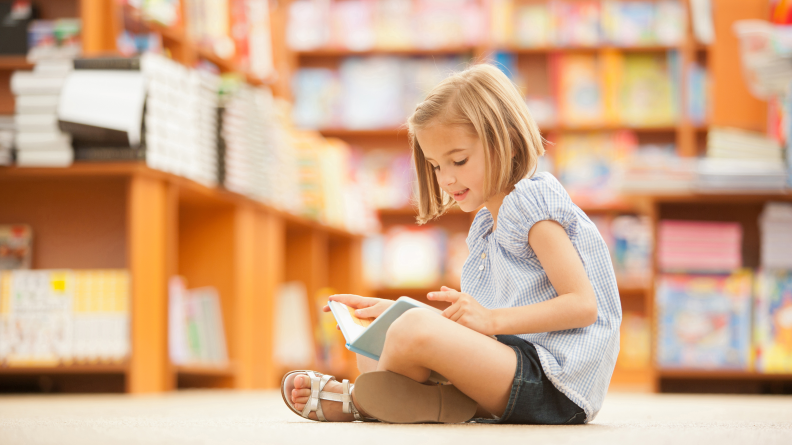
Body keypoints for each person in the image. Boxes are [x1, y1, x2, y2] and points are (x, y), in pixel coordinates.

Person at [281, 63, 621, 425]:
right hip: (513, 366)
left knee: (409, 332)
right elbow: (478, 328)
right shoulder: (489, 224)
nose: (446, 178)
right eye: (435, 166)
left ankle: (357, 403)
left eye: (458, 160)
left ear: (502, 138)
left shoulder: (531, 203)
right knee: (374, 340)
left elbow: (583, 305)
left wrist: (486, 319)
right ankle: (440, 403)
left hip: (554, 383)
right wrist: (394, 311)